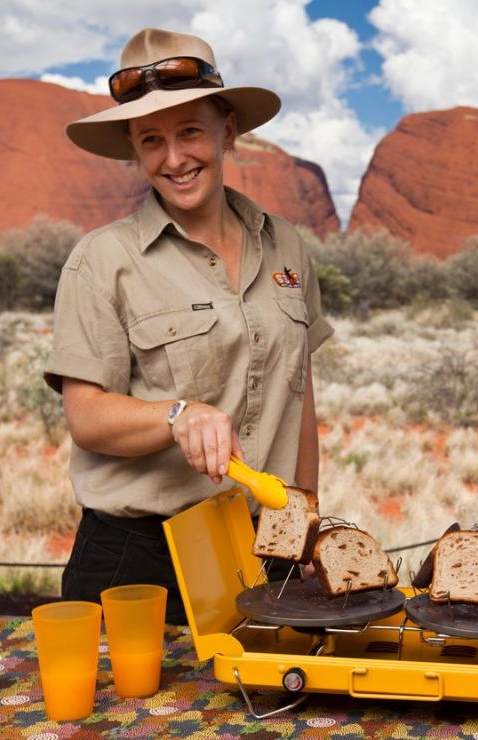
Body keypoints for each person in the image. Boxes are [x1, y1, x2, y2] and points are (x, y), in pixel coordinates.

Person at [43, 28, 333, 624]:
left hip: (264, 547)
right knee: (123, 721)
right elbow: (86, 416)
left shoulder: (285, 245)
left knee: (273, 718)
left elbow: (300, 393)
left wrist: (306, 516)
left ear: (228, 129)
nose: (174, 159)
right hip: (139, 561)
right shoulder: (102, 260)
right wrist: (176, 415)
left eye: (190, 132)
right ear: (132, 146)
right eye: (151, 140)